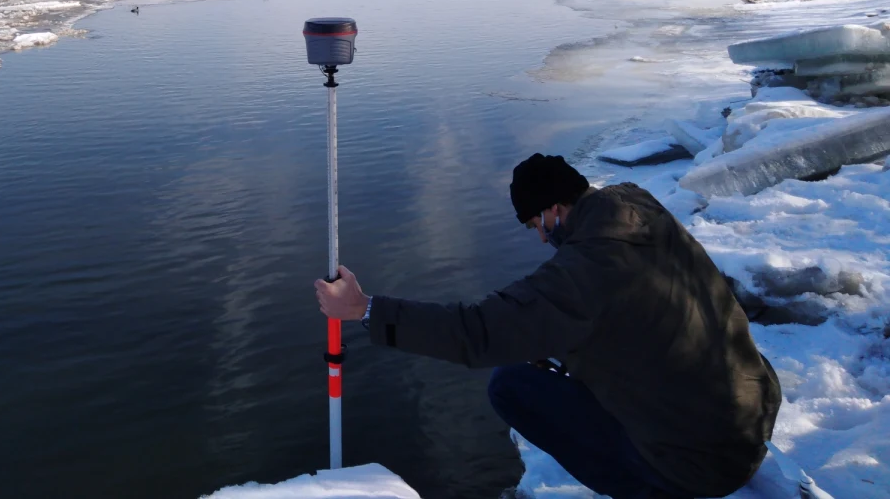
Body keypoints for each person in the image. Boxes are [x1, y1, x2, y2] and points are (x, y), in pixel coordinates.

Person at [314, 153, 781, 499]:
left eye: (537, 222)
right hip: (750, 415)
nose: (539, 236)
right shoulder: (640, 211)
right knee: (552, 354)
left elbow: (476, 330)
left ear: (556, 208)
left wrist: (364, 309)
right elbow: (631, 316)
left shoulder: (588, 268)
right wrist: (563, 346)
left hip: (700, 462)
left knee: (512, 386)